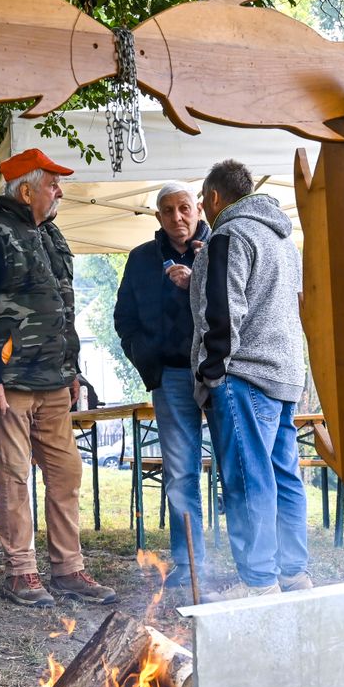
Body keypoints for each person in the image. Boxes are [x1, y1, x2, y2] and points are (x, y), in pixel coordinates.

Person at [0, 148, 117, 608]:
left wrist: (73, 371)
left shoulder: (53, 236)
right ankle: (21, 572)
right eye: (52, 184)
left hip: (54, 381)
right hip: (9, 380)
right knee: (13, 477)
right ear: (26, 190)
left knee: (65, 472)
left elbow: (63, 308)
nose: (60, 191)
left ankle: (68, 570)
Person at [190, 159, 311, 600]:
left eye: (202, 201)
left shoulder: (229, 234)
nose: (202, 210)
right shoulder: (283, 240)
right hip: (284, 374)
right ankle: (294, 574)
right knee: (283, 477)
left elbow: (224, 312)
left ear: (216, 198)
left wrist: (210, 374)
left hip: (243, 375)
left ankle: (258, 583)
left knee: (247, 479)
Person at [114, 182, 212, 589]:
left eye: (184, 208)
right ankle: (190, 564)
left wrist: (199, 281)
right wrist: (145, 358)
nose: (178, 217)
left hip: (220, 374)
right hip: (170, 376)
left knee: (235, 468)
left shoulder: (220, 248)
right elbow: (124, 318)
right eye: (168, 210)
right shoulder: (141, 259)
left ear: (199, 209)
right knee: (180, 474)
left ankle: (249, 562)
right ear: (158, 216)